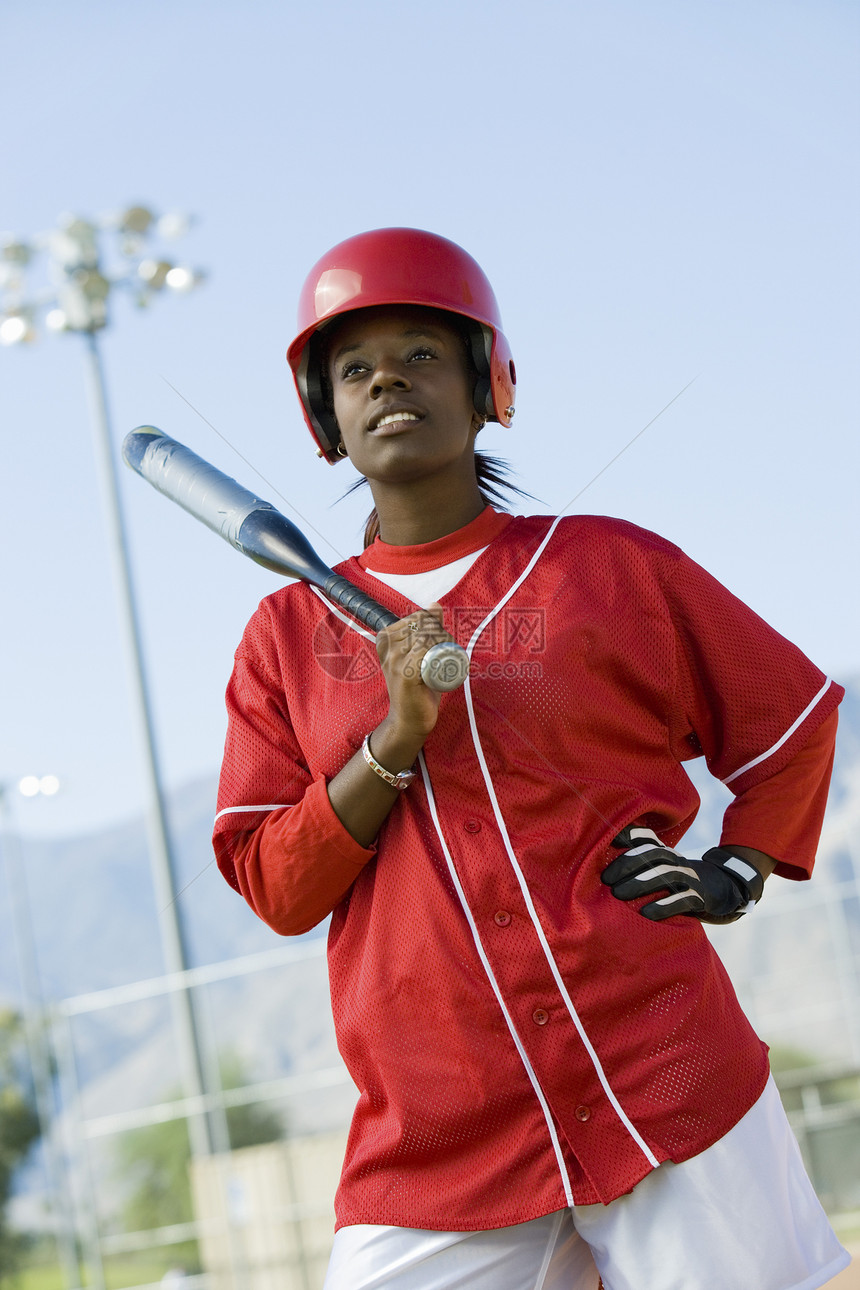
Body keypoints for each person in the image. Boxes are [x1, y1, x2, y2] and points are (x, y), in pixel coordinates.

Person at [213, 228, 850, 1290]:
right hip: (438, 1127)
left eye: (420, 354)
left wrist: (733, 868)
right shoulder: (285, 634)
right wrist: (393, 740)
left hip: (661, 1067)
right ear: (325, 416)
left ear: (483, 382)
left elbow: (790, 721)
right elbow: (275, 885)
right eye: (354, 369)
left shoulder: (608, 565)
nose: (387, 383)